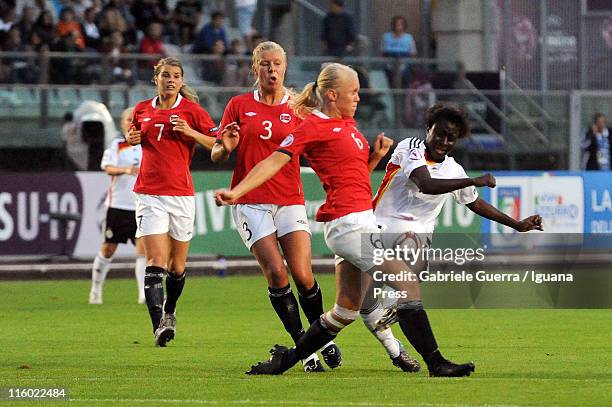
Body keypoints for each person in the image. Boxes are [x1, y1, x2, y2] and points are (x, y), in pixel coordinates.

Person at [215, 64, 506, 377]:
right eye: (353, 91)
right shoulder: (313, 126)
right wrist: (238, 190)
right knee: (406, 282)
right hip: (347, 225)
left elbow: (352, 179)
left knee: (346, 309)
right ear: (331, 94)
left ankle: (285, 360)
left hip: (362, 220)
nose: (358, 97)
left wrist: (374, 159)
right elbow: (275, 159)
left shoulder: (348, 124)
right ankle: (436, 363)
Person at [362, 102, 544, 372]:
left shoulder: (454, 170)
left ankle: (402, 322)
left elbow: (475, 203)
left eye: (451, 138)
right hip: (378, 228)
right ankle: (393, 338)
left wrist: (516, 224)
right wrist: (473, 180)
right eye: (440, 134)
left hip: (414, 241)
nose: (444, 141)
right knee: (365, 308)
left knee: (375, 301)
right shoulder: (409, 147)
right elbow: (426, 183)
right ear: (428, 129)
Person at [211, 41, 341, 373]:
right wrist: (225, 146)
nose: (272, 69)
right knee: (276, 272)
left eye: (278, 63)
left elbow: (319, 151)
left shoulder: (299, 107)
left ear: (285, 66)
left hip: (289, 199)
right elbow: (217, 152)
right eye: (265, 64)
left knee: (302, 273)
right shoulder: (238, 105)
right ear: (255, 68)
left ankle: (322, 338)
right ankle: (304, 347)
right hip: (251, 202)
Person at [125, 57, 219, 347]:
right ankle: (158, 327)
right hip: (149, 193)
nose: (170, 80)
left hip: (180, 195)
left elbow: (218, 144)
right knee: (156, 261)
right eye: (165, 75)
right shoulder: (142, 109)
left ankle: (170, 310)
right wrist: (131, 137)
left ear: (181, 81)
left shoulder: (192, 111)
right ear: (156, 78)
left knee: (177, 267)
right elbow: (133, 135)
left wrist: (190, 133)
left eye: (176, 76)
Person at [89, 107, 146, 305]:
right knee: (108, 249)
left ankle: (143, 295)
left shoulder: (147, 144)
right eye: (128, 119)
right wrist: (126, 169)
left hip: (142, 205)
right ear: (122, 123)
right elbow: (107, 168)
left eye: (134, 119)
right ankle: (96, 290)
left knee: (143, 250)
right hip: (119, 205)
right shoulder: (117, 145)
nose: (131, 122)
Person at [381, 15, 417, 88]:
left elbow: (413, 53)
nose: (398, 26)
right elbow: (382, 52)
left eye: (400, 24)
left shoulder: (408, 37)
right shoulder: (386, 36)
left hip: (404, 60)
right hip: (390, 61)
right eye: (396, 24)